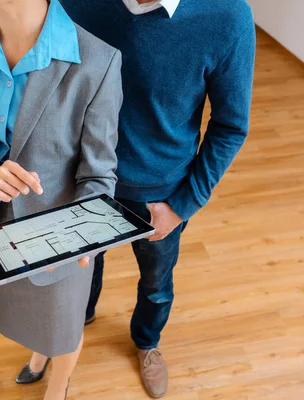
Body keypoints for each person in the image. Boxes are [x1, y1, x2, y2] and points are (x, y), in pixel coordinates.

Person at [0, 0, 122, 398]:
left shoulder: (98, 61)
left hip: (61, 239)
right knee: (28, 319)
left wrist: (86, 231)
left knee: (64, 327)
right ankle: (37, 356)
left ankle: (59, 385)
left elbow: (98, 174)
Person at [61, 0, 256, 397]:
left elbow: (231, 126)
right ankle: (78, 320)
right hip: (84, 180)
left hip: (160, 198)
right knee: (83, 268)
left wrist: (182, 206)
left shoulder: (227, 16)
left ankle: (147, 343)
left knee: (156, 284)